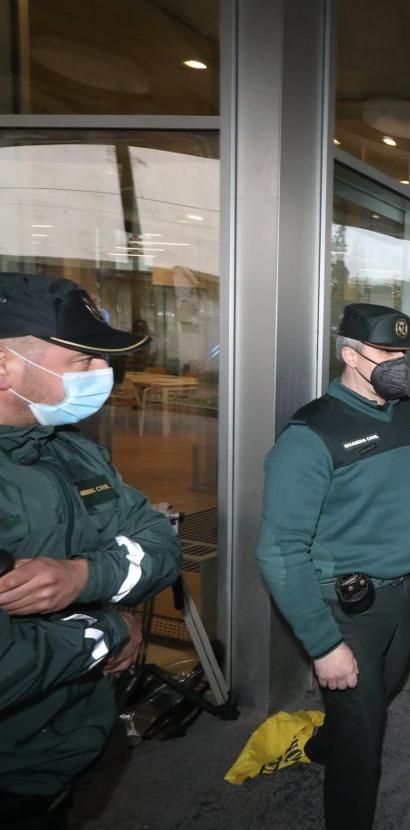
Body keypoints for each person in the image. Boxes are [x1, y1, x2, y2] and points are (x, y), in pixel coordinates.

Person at [0, 274, 181, 830]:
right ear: (5, 367)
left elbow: (159, 543)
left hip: (67, 748)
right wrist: (110, 630)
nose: (103, 372)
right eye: (83, 359)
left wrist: (84, 577)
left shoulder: (75, 453)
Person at [254, 303, 410, 830]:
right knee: (363, 744)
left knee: (384, 687)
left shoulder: (407, 411)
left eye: (402, 353)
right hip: (348, 606)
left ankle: (327, 738)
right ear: (350, 356)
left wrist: (398, 522)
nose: (398, 363)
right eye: (385, 353)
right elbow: (278, 549)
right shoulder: (311, 434)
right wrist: (323, 645)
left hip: (405, 592)